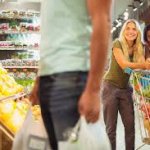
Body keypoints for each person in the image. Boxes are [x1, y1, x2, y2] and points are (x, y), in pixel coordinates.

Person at [30, 0, 112, 149]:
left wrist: (93, 89)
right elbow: (53, 29)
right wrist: (40, 76)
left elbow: (102, 19)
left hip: (73, 76)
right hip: (48, 78)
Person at [101, 19, 150, 150]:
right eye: (128, 28)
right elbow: (124, 65)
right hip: (110, 86)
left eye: (134, 29)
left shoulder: (139, 48)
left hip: (125, 89)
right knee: (111, 129)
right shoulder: (117, 43)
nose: (131, 31)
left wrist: (147, 64)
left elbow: (141, 71)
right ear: (124, 30)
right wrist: (143, 64)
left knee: (130, 128)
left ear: (138, 32)